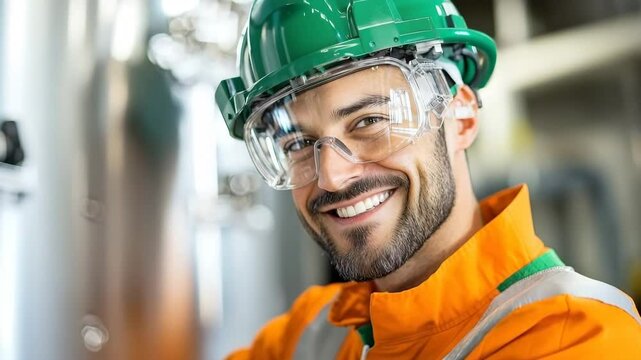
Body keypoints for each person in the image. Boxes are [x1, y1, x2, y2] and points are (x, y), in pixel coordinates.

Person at [215, 0, 641, 358]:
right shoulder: (313, 334)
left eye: (370, 120)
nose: (331, 175)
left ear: (461, 116)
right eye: (298, 144)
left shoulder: (577, 337)